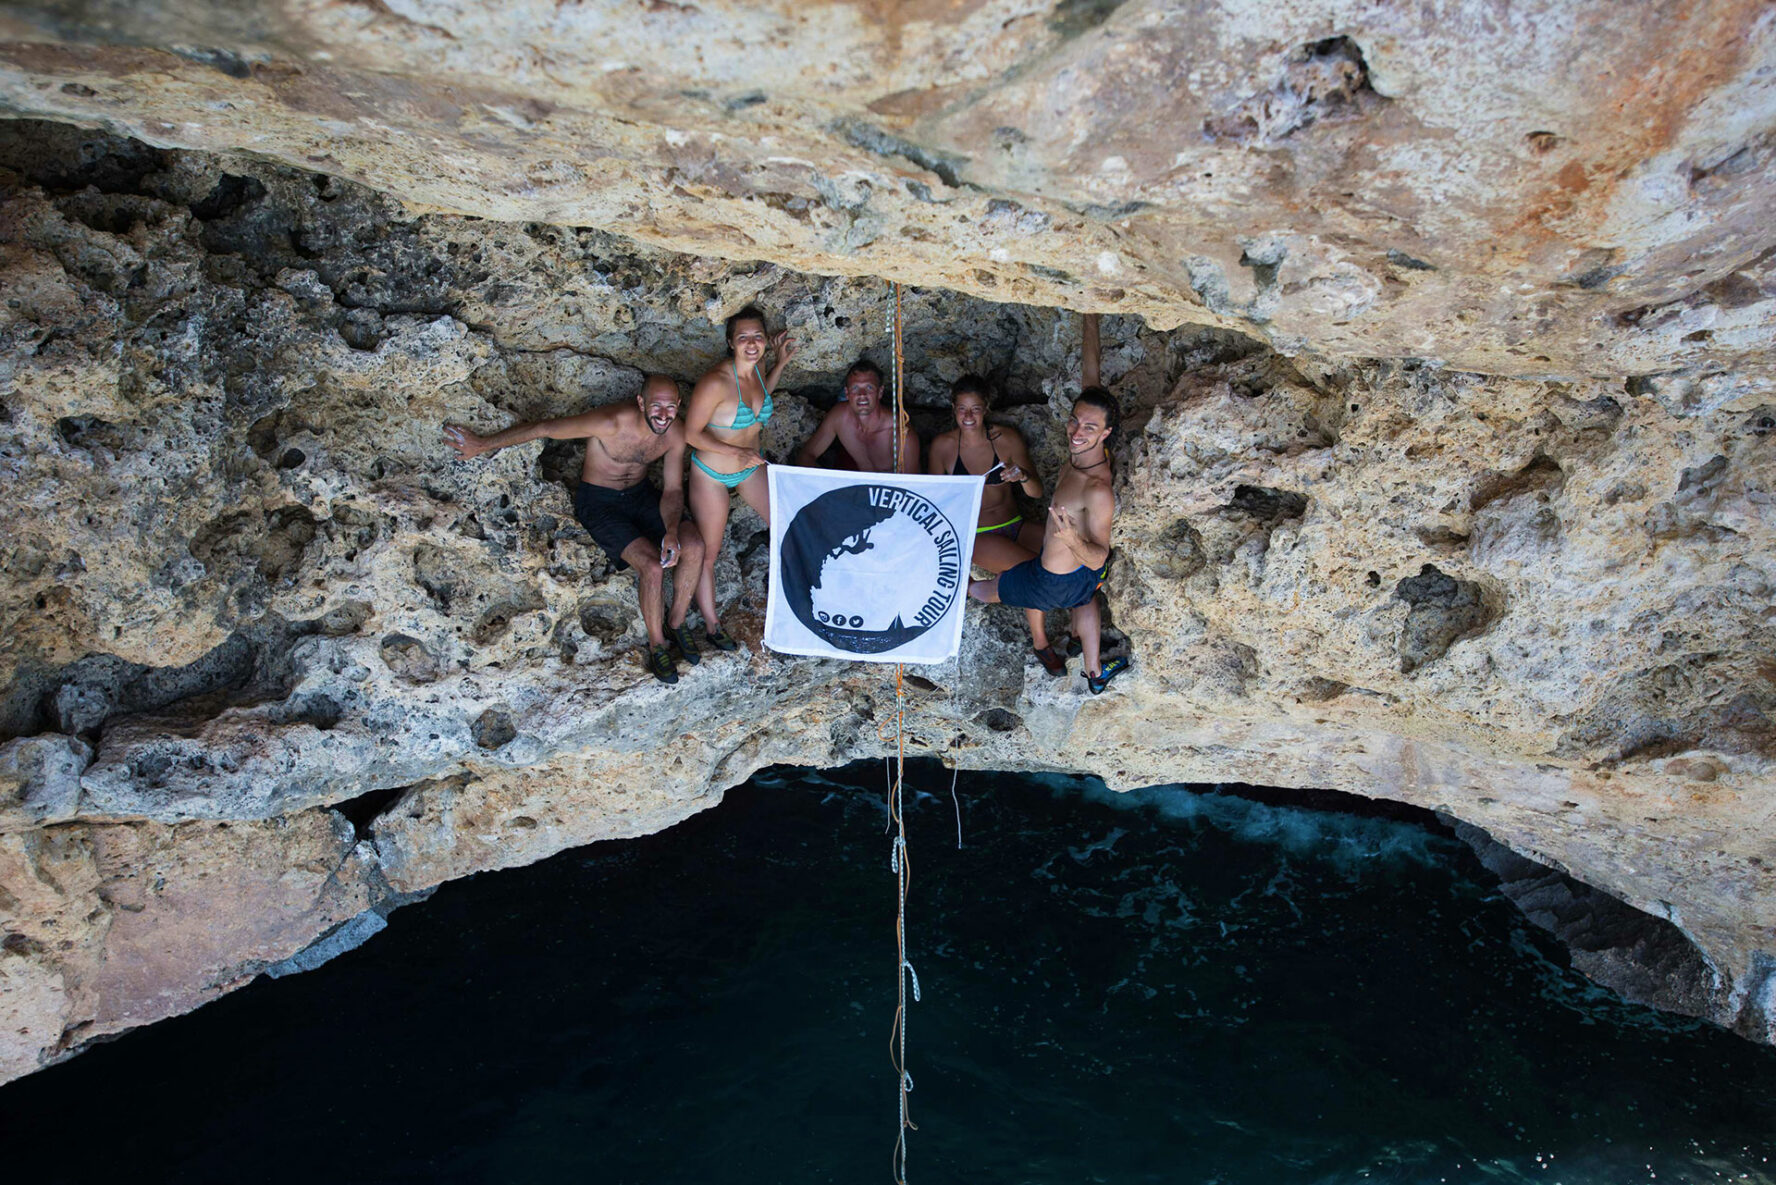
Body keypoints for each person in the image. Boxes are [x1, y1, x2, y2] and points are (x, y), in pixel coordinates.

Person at [443, 375, 712, 685]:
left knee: (693, 544)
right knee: (652, 566)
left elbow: (673, 491)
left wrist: (673, 530)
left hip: (641, 495)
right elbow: (545, 428)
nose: (663, 415)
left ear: (678, 405)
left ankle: (676, 622)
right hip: (600, 503)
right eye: (655, 406)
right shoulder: (610, 422)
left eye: (670, 407)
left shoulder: (674, 431)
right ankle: (657, 643)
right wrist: (483, 444)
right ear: (640, 403)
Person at [967, 315, 1130, 694]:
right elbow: (1092, 372)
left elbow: (1097, 557)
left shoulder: (1096, 490)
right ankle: (1094, 674)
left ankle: (1076, 657)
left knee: (978, 590)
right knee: (1086, 596)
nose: (1076, 432)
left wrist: (1072, 539)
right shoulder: (1089, 439)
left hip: (1049, 584)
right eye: (1075, 421)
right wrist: (1090, 315)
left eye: (1089, 428)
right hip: (1078, 581)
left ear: (1106, 433)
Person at [683, 306, 796, 646]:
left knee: (787, 527)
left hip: (748, 468)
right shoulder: (716, 382)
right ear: (730, 342)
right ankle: (712, 626)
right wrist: (736, 453)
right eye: (743, 337)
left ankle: (793, 601)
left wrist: (780, 363)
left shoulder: (758, 368)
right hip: (712, 474)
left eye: (758, 337)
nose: (752, 343)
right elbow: (691, 433)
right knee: (710, 553)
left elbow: (763, 396)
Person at [926, 374, 1044, 573]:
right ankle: (988, 591)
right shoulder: (942, 447)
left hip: (1016, 526)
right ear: (954, 409)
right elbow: (933, 502)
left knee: (1070, 558)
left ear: (986, 409)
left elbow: (1037, 492)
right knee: (1036, 573)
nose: (968, 416)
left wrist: (1022, 476)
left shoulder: (1006, 439)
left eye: (975, 409)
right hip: (979, 534)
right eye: (962, 409)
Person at [793, 360, 921, 473]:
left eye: (869, 388)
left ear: (880, 392)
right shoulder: (840, 417)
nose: (862, 394)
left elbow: (913, 487)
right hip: (856, 491)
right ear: (847, 393)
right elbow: (806, 455)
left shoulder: (900, 434)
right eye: (855, 388)